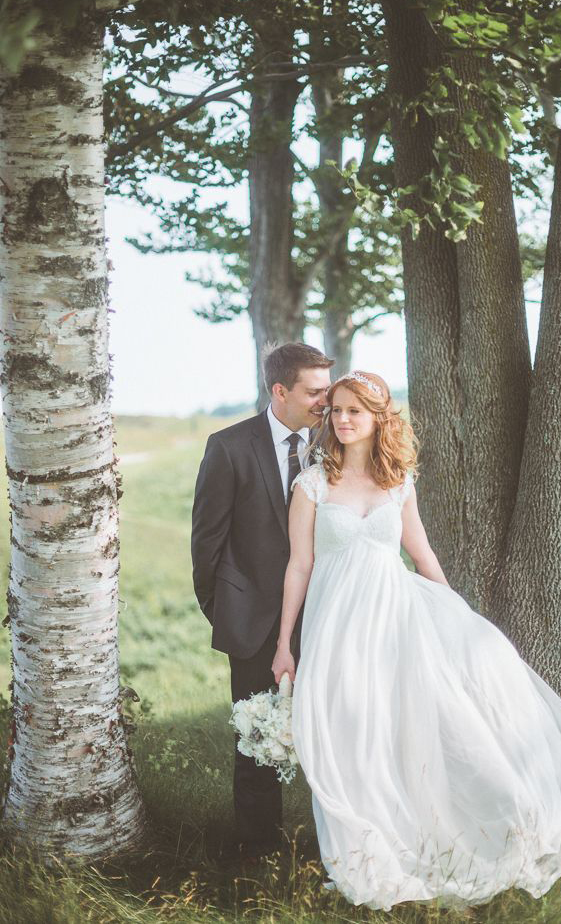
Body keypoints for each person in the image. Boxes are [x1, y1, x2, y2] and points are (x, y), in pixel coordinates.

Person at [271, 369, 561, 911]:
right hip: (337, 625)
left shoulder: (399, 480)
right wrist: (284, 644)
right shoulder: (312, 484)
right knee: (351, 731)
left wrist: (457, 611)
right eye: (335, 410)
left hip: (397, 619)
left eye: (353, 411)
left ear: (377, 419)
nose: (340, 420)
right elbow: (299, 565)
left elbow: (422, 552)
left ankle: (427, 836)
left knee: (409, 726)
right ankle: (365, 852)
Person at [191, 341, 334, 860]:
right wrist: (223, 606)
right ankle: (257, 850)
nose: (326, 401)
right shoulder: (228, 446)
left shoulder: (336, 443)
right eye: (315, 392)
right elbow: (206, 540)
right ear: (280, 391)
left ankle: (334, 842)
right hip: (250, 618)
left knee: (332, 727)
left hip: (325, 613)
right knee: (255, 736)